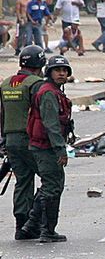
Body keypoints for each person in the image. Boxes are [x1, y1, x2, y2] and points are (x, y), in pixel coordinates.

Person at [23, 55, 74, 243]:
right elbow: (51, 124)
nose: (62, 73)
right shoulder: (48, 93)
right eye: (57, 70)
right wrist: (60, 150)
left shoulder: (54, 91)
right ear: (49, 72)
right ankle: (47, 230)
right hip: (45, 147)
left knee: (50, 186)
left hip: (44, 145)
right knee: (52, 187)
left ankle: (31, 225)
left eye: (64, 70)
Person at [0, 45, 45, 240]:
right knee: (51, 178)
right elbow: (42, 113)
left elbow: (1, 113)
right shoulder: (36, 84)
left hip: (10, 139)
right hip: (30, 139)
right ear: (40, 64)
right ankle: (34, 221)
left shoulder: (6, 83)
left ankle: (21, 224)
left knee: (23, 180)